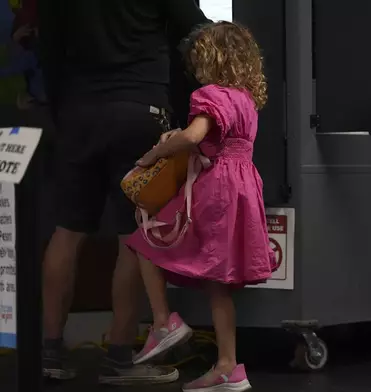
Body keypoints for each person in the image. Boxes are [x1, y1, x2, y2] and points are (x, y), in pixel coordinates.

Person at [37, 0, 208, 385]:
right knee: (133, 237)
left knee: (66, 229)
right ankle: (118, 356)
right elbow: (197, 29)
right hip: (139, 109)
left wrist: (59, 109)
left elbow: (48, 45)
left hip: (79, 110)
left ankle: (47, 351)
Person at [125, 21, 276, 392]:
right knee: (219, 284)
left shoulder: (210, 95)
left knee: (146, 241)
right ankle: (229, 367)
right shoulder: (247, 100)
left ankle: (164, 322)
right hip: (244, 188)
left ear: (210, 59)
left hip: (216, 189)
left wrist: (154, 153)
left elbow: (195, 137)